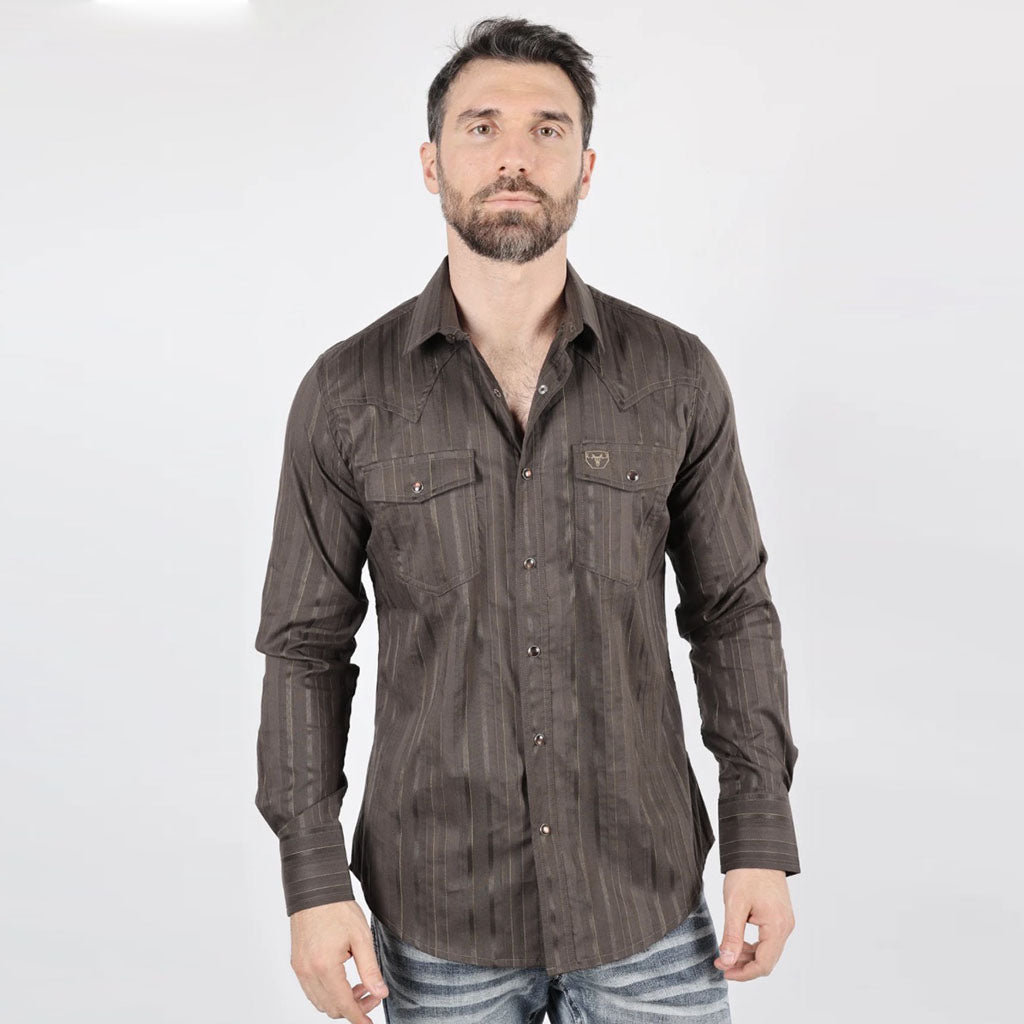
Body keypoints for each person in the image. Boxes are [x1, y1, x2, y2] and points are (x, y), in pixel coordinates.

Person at [253, 16, 800, 1023]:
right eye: (482, 126)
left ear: (586, 168)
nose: (514, 156)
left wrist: (758, 834)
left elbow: (732, 613)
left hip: (647, 907)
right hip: (437, 918)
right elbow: (304, 649)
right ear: (431, 162)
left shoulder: (675, 375)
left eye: (547, 129)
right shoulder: (346, 393)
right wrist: (313, 881)